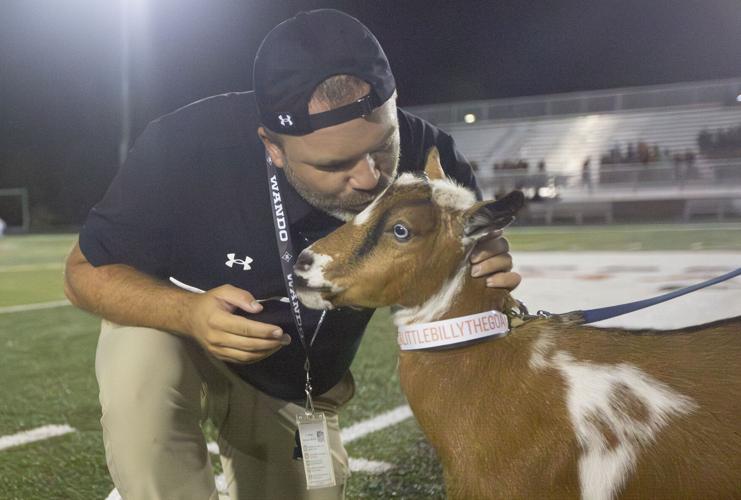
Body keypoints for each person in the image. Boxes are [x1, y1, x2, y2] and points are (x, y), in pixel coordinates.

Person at [63, 9, 521, 500]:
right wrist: (188, 313)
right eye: (335, 164)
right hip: (185, 338)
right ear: (273, 149)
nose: (369, 177)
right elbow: (82, 272)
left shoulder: (432, 156)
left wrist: (480, 265)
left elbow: (471, 268)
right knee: (139, 363)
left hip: (299, 382)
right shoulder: (186, 146)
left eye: (383, 145)